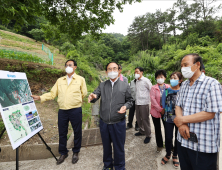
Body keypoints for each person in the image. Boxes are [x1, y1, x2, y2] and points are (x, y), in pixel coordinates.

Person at [31, 59, 87, 165]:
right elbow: (52, 94)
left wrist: (75, 101)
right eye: (66, 65)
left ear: (75, 67)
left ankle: (76, 152)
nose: (67, 67)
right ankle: (63, 153)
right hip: (62, 111)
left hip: (75, 109)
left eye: (70, 65)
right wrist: (40, 97)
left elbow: (83, 93)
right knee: (62, 132)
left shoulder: (80, 79)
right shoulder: (60, 80)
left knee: (77, 131)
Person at [174, 53, 222, 170]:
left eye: (186, 65)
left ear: (197, 65)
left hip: (203, 145)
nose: (183, 68)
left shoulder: (212, 84)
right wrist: (182, 124)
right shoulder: (184, 85)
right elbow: (178, 105)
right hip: (183, 141)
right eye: (181, 66)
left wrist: (181, 120)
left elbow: (210, 112)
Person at [88, 62, 133, 170]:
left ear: (118, 70)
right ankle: (107, 165)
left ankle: (119, 167)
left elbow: (130, 100)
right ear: (106, 72)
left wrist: (125, 106)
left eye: (114, 69)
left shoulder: (125, 85)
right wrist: (93, 96)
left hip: (118, 122)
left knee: (119, 147)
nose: (112, 71)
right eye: (109, 69)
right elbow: (96, 94)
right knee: (106, 147)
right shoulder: (102, 85)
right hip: (104, 123)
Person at [161, 72, 182, 168]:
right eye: (171, 77)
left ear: (180, 80)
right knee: (168, 137)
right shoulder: (166, 91)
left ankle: (175, 155)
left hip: (180, 118)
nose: (172, 79)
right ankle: (168, 154)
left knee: (178, 138)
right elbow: (163, 105)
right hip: (168, 118)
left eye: (175, 78)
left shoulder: (183, 91)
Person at [150, 69, 170, 152]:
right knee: (157, 129)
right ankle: (159, 145)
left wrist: (165, 109)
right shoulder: (153, 88)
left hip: (166, 112)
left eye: (161, 76)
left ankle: (169, 145)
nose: (159, 78)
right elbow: (153, 100)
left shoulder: (168, 87)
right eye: (158, 77)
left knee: (167, 129)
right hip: (156, 112)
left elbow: (170, 99)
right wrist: (160, 109)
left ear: (165, 78)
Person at [134, 67, 152, 144]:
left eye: (137, 72)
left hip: (144, 103)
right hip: (137, 102)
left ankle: (148, 135)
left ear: (142, 72)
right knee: (138, 118)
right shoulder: (136, 81)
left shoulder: (146, 80)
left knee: (145, 119)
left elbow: (151, 90)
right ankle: (142, 131)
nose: (136, 73)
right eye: (135, 72)